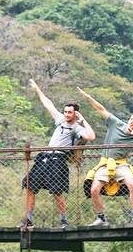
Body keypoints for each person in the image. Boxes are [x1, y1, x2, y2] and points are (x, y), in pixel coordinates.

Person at [19, 79, 95, 230]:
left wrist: (83, 120)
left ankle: (63, 220)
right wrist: (37, 89)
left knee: (57, 191)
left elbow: (91, 136)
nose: (67, 114)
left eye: (70, 112)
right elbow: (48, 104)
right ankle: (28, 218)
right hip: (44, 158)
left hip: (58, 159)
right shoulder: (60, 120)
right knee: (30, 186)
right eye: (66, 111)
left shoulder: (77, 128)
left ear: (75, 113)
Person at [77, 87, 133, 226]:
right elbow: (101, 109)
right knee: (94, 189)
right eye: (131, 119)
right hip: (105, 163)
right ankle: (101, 217)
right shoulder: (117, 123)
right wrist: (87, 97)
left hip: (121, 164)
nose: (131, 122)